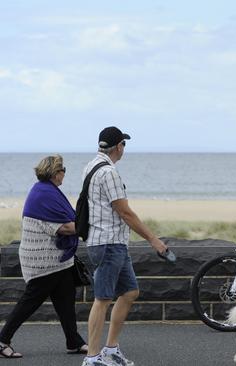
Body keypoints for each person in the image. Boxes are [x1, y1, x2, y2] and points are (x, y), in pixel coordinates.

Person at [82, 127, 171, 366]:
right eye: (124, 145)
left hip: (111, 242)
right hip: (108, 242)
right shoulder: (109, 172)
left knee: (130, 292)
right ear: (119, 146)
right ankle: (92, 357)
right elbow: (125, 212)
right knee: (102, 299)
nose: (124, 150)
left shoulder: (90, 166)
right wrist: (153, 239)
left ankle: (110, 349)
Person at [0, 155, 87, 359]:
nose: (64, 173)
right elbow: (63, 227)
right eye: (63, 169)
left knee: (65, 300)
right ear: (56, 172)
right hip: (42, 261)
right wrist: (89, 226)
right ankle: (3, 339)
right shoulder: (44, 194)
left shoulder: (47, 191)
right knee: (30, 302)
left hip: (58, 260)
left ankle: (74, 341)